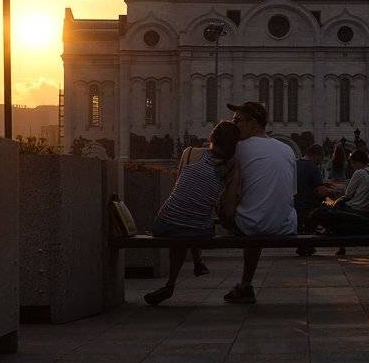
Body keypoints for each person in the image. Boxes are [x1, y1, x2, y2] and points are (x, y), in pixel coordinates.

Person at [143, 121, 240, 306]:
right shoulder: (231, 169)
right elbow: (227, 209)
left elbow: (180, 187)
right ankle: (196, 262)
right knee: (194, 224)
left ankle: (175, 281)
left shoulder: (189, 153)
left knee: (183, 226)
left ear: (212, 137)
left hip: (162, 224)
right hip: (196, 230)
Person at [223, 100, 296, 304]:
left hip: (253, 225)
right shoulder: (286, 149)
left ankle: (195, 262)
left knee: (229, 204)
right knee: (256, 213)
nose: (233, 124)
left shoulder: (238, 149)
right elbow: (292, 192)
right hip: (285, 226)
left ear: (253, 123)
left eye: (237, 120)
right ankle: (245, 285)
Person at [310, 149, 369, 244]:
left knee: (321, 211)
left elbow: (347, 195)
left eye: (352, 163)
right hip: (368, 210)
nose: (352, 166)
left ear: (356, 162)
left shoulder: (359, 172)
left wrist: (334, 202)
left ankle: (320, 235)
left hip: (355, 208)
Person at [294, 144, 335, 256]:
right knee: (332, 209)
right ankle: (308, 245)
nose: (320, 162)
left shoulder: (295, 164)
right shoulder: (313, 167)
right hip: (309, 207)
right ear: (315, 155)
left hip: (295, 206)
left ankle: (304, 245)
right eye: (320, 159)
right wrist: (333, 192)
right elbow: (321, 192)